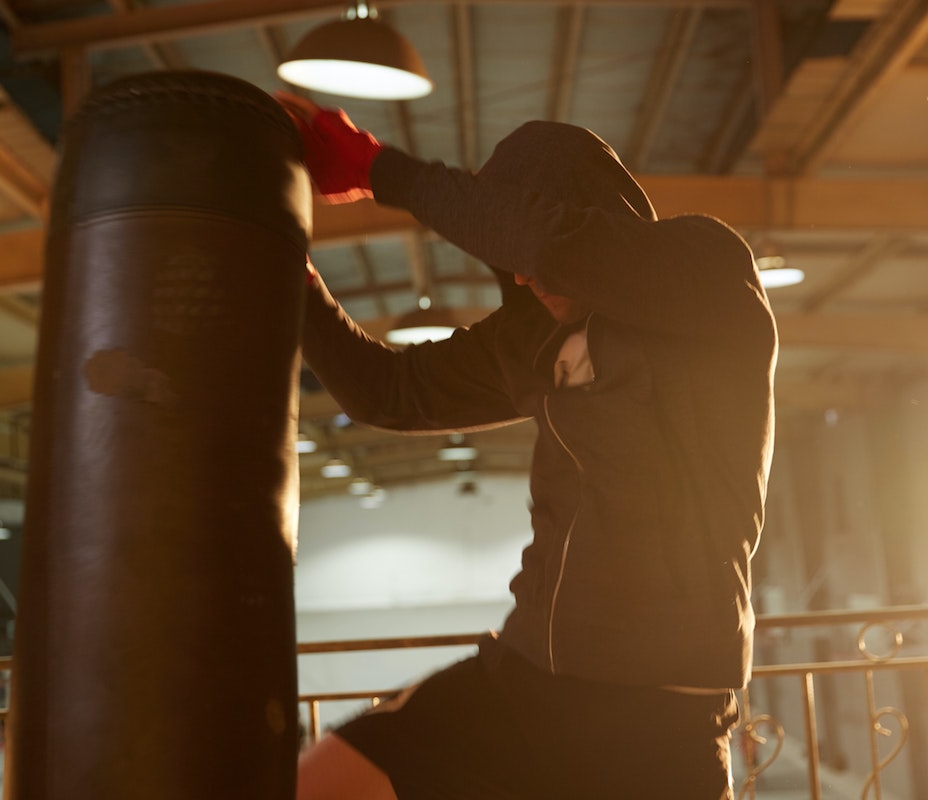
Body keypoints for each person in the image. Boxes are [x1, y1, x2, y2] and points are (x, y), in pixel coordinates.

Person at [277, 91, 777, 800]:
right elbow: (388, 393)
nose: (518, 275)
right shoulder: (525, 341)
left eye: (515, 243)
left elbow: (548, 245)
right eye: (503, 261)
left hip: (659, 706)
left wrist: (378, 169)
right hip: (526, 680)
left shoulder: (708, 274)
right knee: (324, 784)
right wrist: (288, 276)